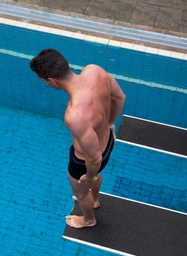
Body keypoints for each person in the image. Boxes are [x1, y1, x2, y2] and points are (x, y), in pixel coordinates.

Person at [29, 49, 126, 228]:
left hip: (85, 161)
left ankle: (89, 219)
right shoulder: (95, 71)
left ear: (51, 81)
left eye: (43, 81)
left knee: (82, 193)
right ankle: (95, 200)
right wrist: (110, 122)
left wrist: (88, 177)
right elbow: (120, 98)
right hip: (109, 141)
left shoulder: (75, 115)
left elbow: (94, 158)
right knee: (97, 175)